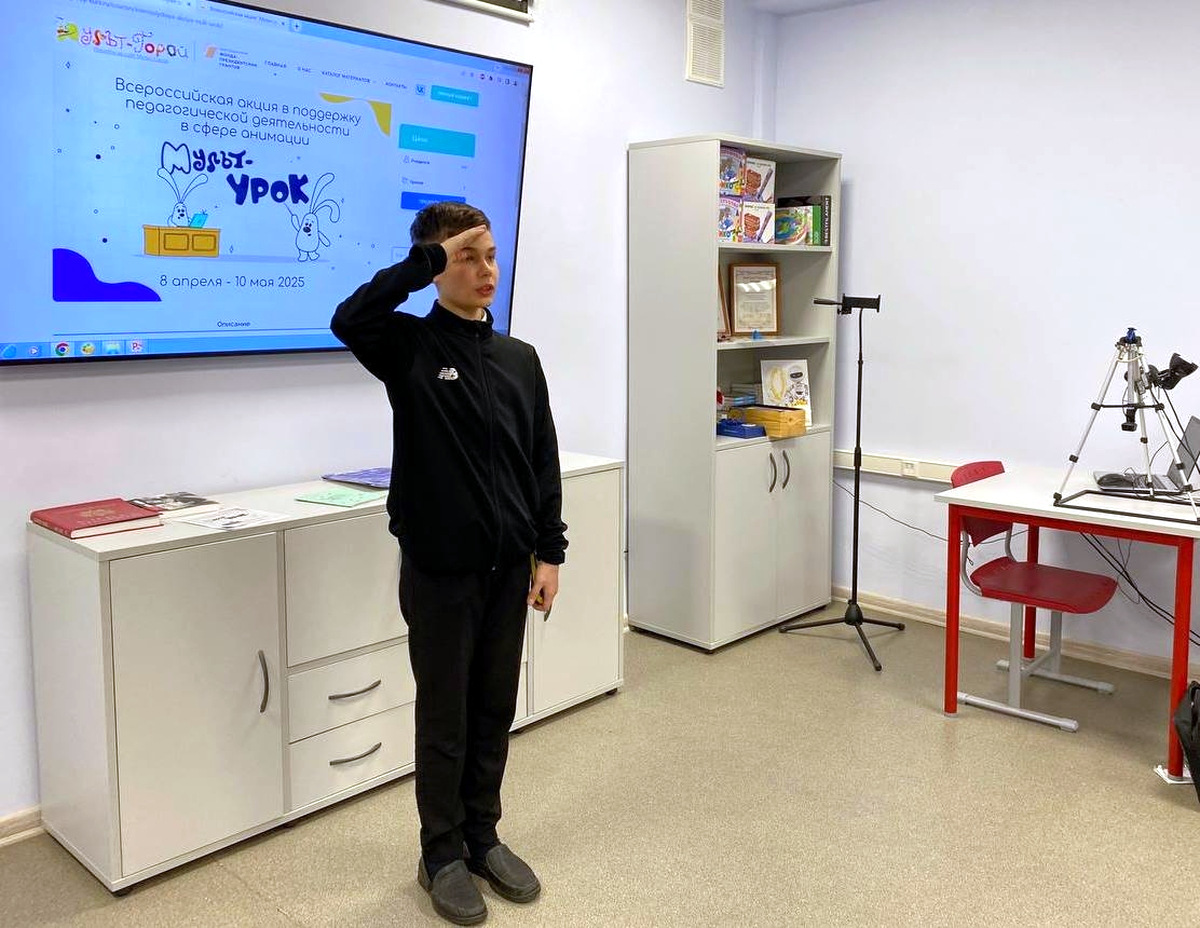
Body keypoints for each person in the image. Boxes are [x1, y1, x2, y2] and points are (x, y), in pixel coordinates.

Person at [331, 201, 566, 926]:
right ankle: (440, 854)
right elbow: (349, 318)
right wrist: (430, 258)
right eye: (467, 256)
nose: (485, 269)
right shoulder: (407, 346)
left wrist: (550, 552)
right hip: (440, 570)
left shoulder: (519, 358)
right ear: (436, 267)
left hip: (509, 567)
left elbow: (541, 459)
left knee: (493, 707)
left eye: (490, 254)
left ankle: (482, 838)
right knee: (445, 715)